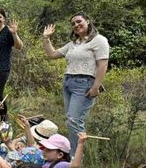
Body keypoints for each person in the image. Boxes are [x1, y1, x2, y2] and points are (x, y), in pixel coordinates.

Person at [42, 13, 109, 155]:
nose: (76, 25)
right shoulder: (74, 44)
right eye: (73, 24)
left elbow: (102, 65)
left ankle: (75, 157)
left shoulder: (99, 40)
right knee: (70, 120)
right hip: (68, 82)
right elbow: (52, 54)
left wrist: (96, 86)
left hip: (84, 83)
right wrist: (46, 38)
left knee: (74, 120)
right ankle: (73, 154)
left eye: (79, 21)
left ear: (88, 21)